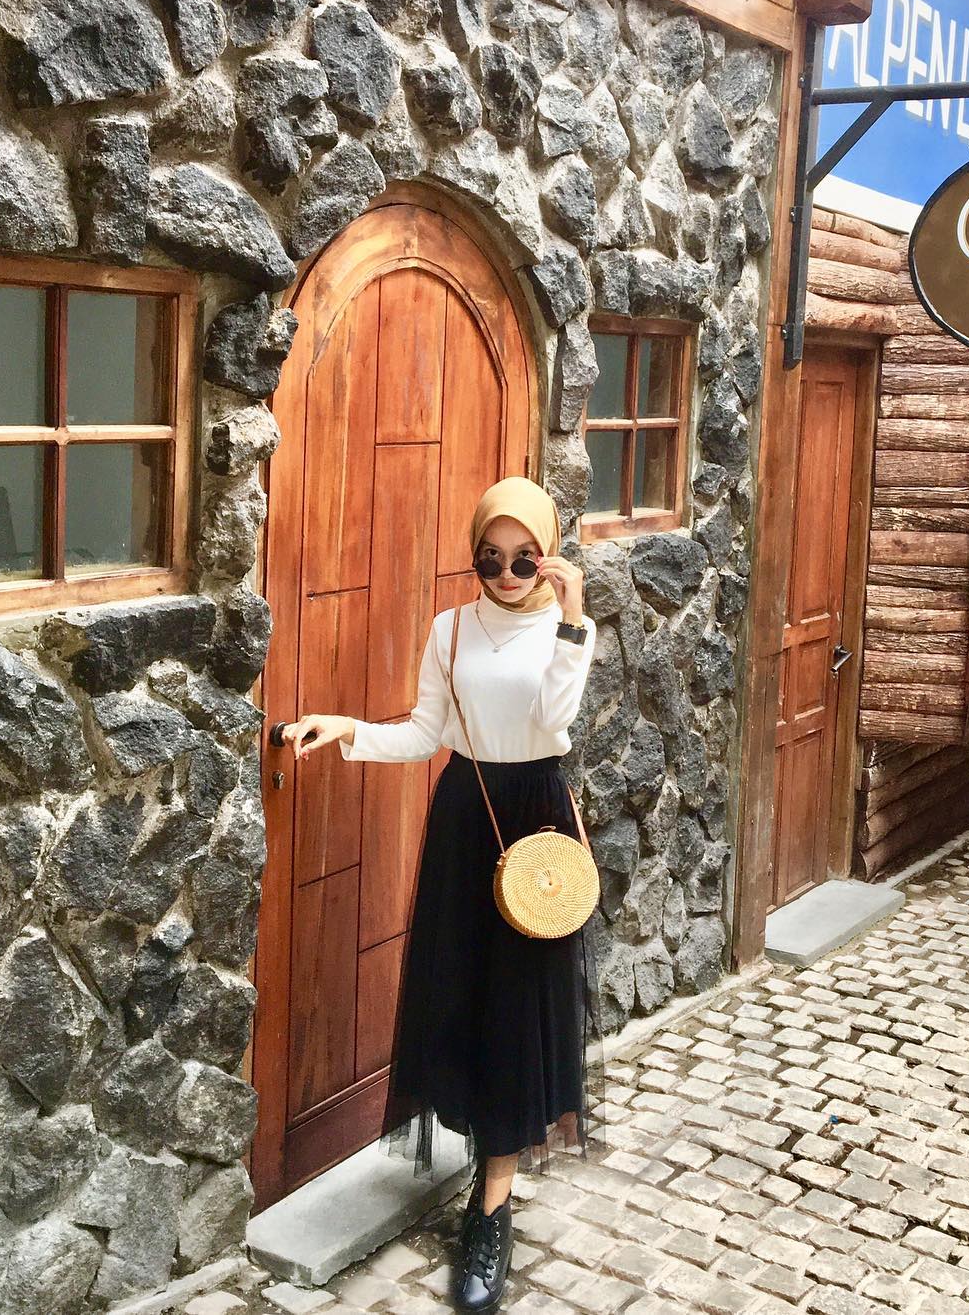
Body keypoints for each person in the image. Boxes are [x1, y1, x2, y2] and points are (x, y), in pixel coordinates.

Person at [283, 476, 602, 1314]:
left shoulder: (568, 629)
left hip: (535, 823)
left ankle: (492, 1208)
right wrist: (348, 727)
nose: (506, 572)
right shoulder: (449, 628)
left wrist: (569, 618)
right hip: (467, 819)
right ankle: (485, 1168)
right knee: (459, 996)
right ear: (473, 556)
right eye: (489, 557)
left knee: (519, 1007)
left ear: (548, 553)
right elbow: (428, 732)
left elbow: (554, 723)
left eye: (525, 556)